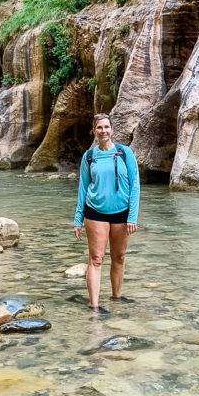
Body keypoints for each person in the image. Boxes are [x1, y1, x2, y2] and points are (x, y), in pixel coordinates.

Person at [74, 113, 140, 312]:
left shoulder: (124, 152)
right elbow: (83, 188)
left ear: (112, 129)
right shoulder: (89, 156)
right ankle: (94, 306)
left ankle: (116, 297)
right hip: (95, 212)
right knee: (96, 259)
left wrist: (132, 216)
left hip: (122, 212)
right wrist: (78, 218)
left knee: (119, 257)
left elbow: (135, 185)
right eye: (99, 128)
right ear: (94, 131)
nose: (104, 131)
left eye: (107, 127)